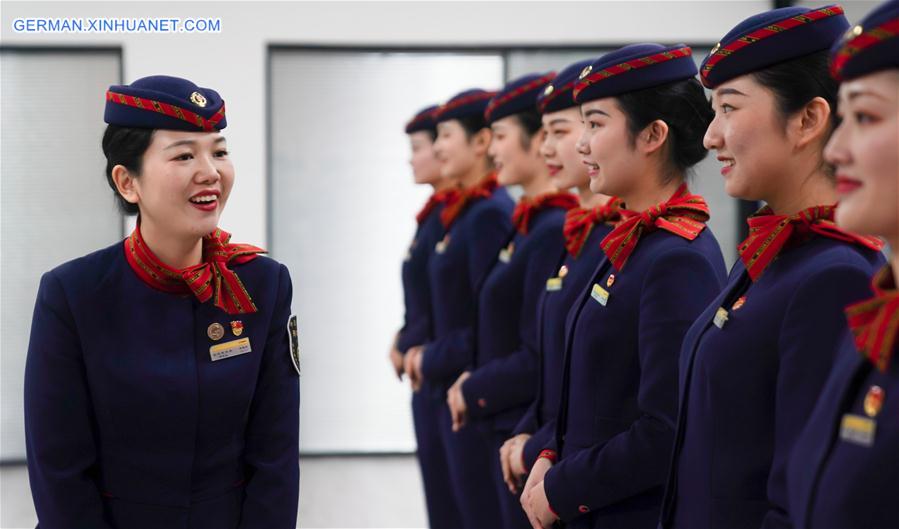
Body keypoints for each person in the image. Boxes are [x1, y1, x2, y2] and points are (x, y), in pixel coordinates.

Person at [24, 75, 300, 528]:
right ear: (127, 181)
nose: (210, 170)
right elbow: (59, 472)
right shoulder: (72, 295)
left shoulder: (262, 285)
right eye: (184, 155)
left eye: (220, 151)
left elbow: (276, 454)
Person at [659, 6, 886, 528]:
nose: (711, 136)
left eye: (729, 108)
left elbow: (798, 500)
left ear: (808, 119)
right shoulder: (774, 252)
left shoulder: (834, 274)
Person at [521, 44, 727, 529]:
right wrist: (551, 452)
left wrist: (562, 488)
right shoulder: (632, 241)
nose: (581, 145)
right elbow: (592, 395)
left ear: (654, 134)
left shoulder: (676, 257)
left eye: (595, 124)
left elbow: (665, 429)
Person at [443, 72, 579, 528]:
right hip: (506, 427)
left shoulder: (552, 229)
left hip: (520, 428)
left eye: (500, 136)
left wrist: (476, 388)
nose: (493, 150)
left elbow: (540, 354)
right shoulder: (528, 224)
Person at [785, 1, 899, 527]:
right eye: (844, 117)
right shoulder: (873, 320)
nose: (836, 150)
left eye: (867, 117)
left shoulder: (839, 276)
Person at [498, 59, 621, 500]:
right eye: (545, 133)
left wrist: (539, 445)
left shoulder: (616, 238)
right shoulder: (579, 231)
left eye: (561, 132)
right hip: (545, 445)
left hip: (580, 467)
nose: (548, 148)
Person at [404, 88, 513, 528]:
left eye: (443, 136)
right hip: (438, 384)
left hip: (463, 387)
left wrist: (425, 354)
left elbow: (483, 322)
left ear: (481, 142)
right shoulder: (453, 214)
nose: (435, 148)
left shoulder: (489, 214)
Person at [389, 105, 462, 528]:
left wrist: (418, 351)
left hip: (447, 374)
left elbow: (456, 310)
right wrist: (403, 338)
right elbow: (424, 300)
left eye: (423, 145)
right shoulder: (438, 214)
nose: (416, 156)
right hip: (429, 373)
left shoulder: (473, 214)